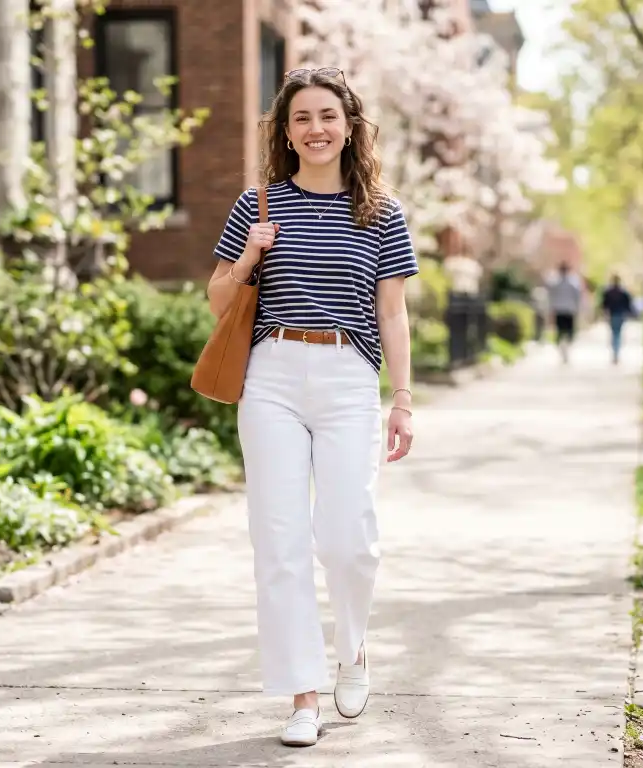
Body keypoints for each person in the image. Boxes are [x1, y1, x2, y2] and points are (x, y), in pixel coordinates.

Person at [204, 66, 418, 748]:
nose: (316, 128)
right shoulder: (257, 203)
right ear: (286, 132)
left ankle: (352, 648)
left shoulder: (380, 211)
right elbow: (217, 298)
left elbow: (393, 312)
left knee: (348, 538)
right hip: (270, 374)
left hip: (348, 376)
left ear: (350, 126)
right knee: (280, 540)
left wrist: (402, 399)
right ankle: (302, 695)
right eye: (302, 118)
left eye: (328, 115)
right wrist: (248, 256)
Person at [545, 262, 583, 364]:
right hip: (569, 310)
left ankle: (563, 348)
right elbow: (577, 296)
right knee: (568, 332)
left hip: (560, 310)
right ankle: (565, 348)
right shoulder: (573, 282)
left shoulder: (555, 283)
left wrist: (551, 309)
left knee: (561, 331)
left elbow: (551, 296)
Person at [600, 274, 634, 364]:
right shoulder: (623, 292)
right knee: (617, 334)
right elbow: (628, 305)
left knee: (614, 333)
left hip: (612, 315)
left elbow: (604, 305)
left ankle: (615, 352)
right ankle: (616, 352)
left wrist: (604, 313)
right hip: (620, 315)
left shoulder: (608, 292)